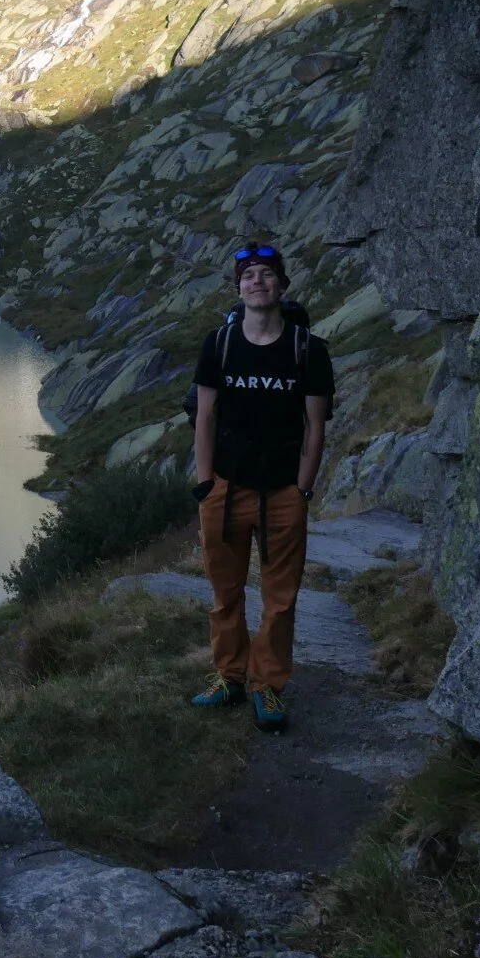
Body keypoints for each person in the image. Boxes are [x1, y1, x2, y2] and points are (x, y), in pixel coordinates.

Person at [186, 242, 333, 734]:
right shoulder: (219, 344)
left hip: (282, 492)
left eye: (266, 275)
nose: (257, 282)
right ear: (238, 288)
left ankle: (265, 682)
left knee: (280, 597)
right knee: (224, 592)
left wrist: (303, 488)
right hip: (226, 489)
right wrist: (207, 482)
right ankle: (229, 675)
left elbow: (316, 426)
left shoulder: (308, 350)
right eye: (248, 276)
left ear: (282, 286)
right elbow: (204, 416)